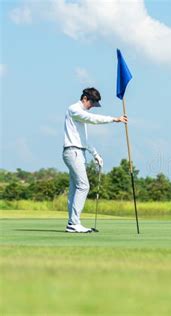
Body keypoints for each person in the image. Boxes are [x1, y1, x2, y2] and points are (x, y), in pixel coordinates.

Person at [63, 87, 127, 233]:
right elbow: (93, 119)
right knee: (84, 186)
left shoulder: (80, 115)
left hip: (78, 151)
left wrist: (96, 154)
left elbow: (83, 140)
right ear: (85, 98)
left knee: (75, 188)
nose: (92, 107)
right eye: (91, 103)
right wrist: (114, 119)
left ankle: (71, 223)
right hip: (73, 152)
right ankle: (74, 223)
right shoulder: (74, 109)